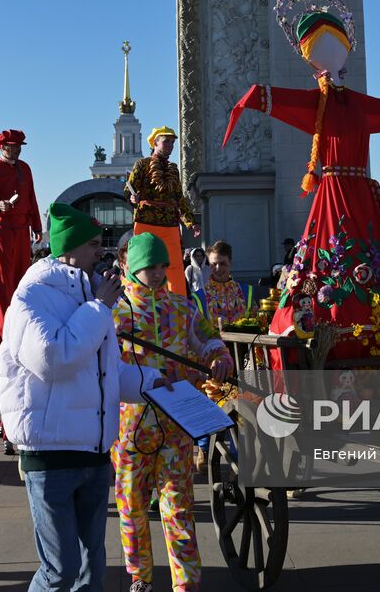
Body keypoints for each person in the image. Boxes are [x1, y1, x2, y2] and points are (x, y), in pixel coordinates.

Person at [223, 0, 380, 363]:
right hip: (335, 193)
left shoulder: (354, 104)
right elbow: (274, 99)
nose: (332, 55)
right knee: (333, 257)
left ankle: (373, 332)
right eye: (321, 48)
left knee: (358, 259)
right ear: (312, 60)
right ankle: (326, 331)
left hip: (356, 192)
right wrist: (254, 98)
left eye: (337, 45)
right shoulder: (319, 102)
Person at [0, 202, 168, 592]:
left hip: (92, 453)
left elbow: (103, 372)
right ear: (68, 250)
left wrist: (149, 383)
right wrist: (99, 307)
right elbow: (54, 360)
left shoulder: (88, 297)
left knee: (93, 565)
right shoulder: (31, 299)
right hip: (51, 455)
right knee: (61, 569)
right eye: (93, 244)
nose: (101, 251)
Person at [113, 233, 232, 592]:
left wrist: (219, 355)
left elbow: (208, 339)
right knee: (132, 508)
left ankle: (186, 583)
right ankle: (141, 577)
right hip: (130, 430)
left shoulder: (183, 308)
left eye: (161, 264)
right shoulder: (115, 315)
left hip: (177, 427)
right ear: (132, 267)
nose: (155, 271)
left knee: (178, 508)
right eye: (148, 265)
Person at [0, 129, 42, 348]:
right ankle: (2, 343)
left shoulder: (25, 168)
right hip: (1, 230)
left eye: (19, 146)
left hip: (22, 229)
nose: (16, 150)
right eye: (12, 146)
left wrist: (37, 226)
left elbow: (31, 198)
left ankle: (23, 338)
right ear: (2, 147)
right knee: (2, 283)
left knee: (22, 281)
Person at [125, 126, 198, 296]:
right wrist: (132, 198)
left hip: (170, 223)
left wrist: (190, 222)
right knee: (143, 262)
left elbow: (179, 198)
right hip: (146, 221)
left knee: (175, 266)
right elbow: (129, 189)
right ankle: (138, 299)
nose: (170, 145)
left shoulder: (174, 168)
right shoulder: (142, 164)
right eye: (166, 141)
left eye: (172, 142)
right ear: (155, 143)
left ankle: (179, 304)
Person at [196, 241, 254, 327]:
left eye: (222, 263)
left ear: (230, 263)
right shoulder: (199, 297)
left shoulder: (247, 291)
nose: (218, 268)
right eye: (214, 264)